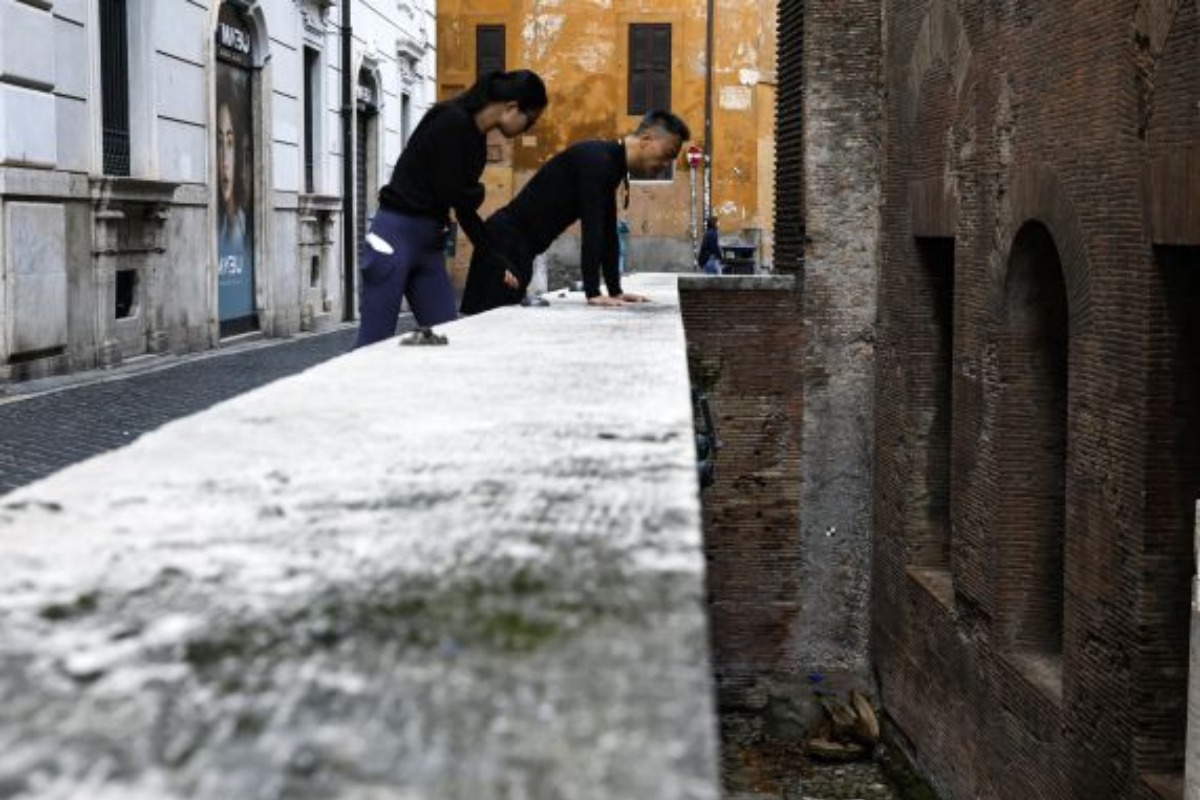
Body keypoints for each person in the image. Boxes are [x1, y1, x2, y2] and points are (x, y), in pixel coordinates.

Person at [354, 69, 548, 347]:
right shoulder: (450, 120)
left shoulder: (477, 142)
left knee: (447, 339)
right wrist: (477, 192)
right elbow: (454, 192)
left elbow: (464, 208)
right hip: (394, 237)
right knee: (372, 344)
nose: (525, 131)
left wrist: (496, 260)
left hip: (429, 245)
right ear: (511, 108)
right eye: (529, 122)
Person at [460, 110, 691, 314]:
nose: (666, 163)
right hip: (503, 246)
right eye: (668, 154)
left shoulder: (609, 163)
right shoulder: (598, 161)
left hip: (518, 249)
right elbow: (593, 229)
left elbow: (608, 231)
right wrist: (592, 292)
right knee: (479, 325)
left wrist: (615, 291)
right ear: (647, 140)